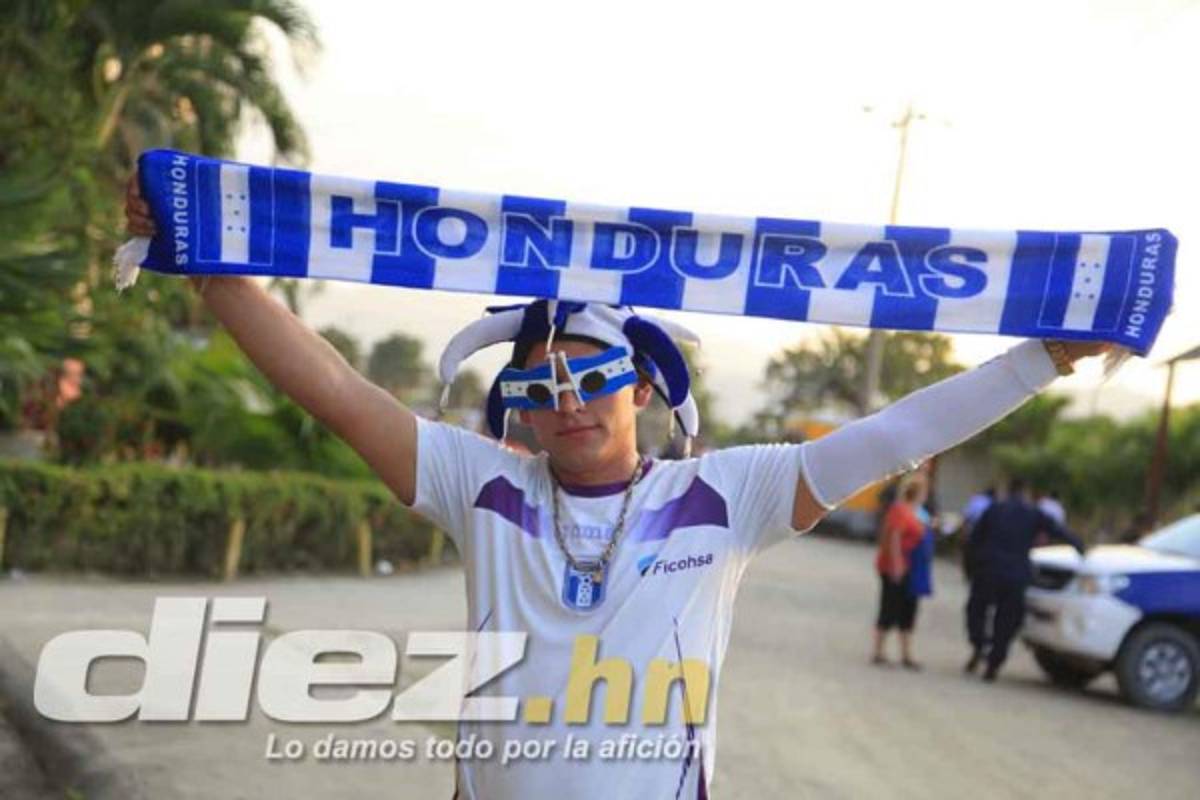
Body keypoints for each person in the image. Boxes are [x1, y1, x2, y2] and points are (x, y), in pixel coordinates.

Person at [124, 178, 1110, 799]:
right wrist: (209, 269)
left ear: (641, 383)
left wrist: (1041, 359)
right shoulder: (482, 483)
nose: (569, 402)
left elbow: (894, 432)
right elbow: (338, 390)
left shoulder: (731, 495)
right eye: (539, 384)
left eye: (592, 376)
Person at [964, 478, 1086, 682]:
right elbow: (1057, 530)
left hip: (989, 571)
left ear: (1007, 490)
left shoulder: (994, 509)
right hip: (1015, 574)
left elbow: (974, 539)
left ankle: (979, 645)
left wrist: (972, 567)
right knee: (1007, 619)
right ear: (1026, 493)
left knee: (976, 610)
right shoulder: (1032, 513)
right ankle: (995, 661)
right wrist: (1079, 546)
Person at [872, 474, 931, 669]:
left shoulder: (916, 512)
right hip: (896, 567)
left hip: (911, 567)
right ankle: (879, 650)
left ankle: (906, 653)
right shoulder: (901, 510)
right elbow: (895, 537)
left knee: (908, 609)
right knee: (890, 606)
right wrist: (897, 565)